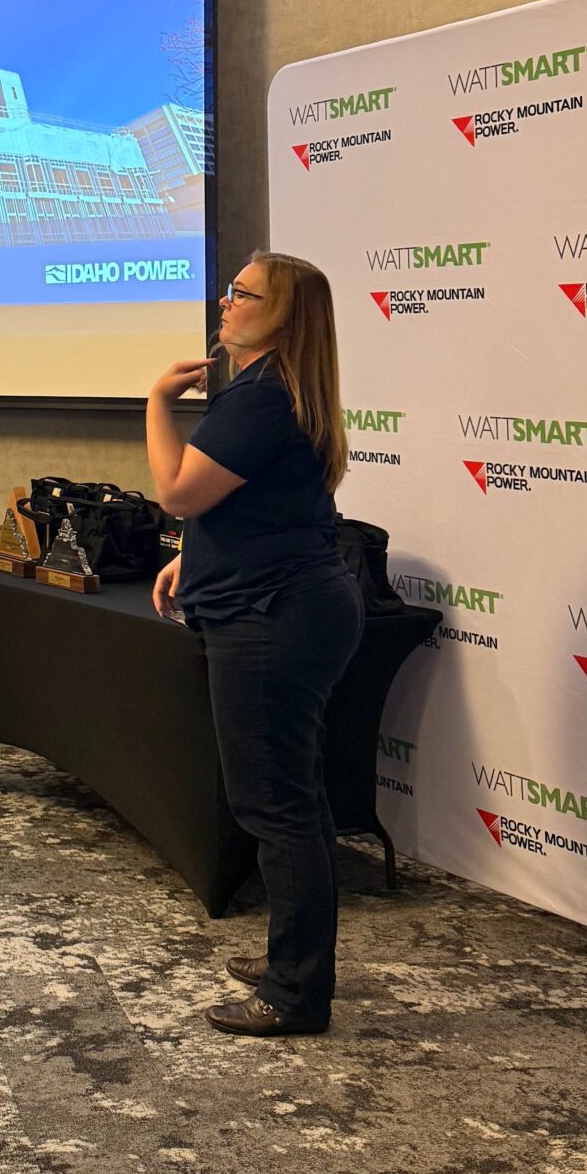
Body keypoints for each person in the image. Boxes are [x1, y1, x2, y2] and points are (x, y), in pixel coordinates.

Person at [144, 251, 363, 1037]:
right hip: (292, 603)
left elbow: (177, 491)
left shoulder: (262, 396)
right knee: (291, 796)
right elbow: (268, 506)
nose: (226, 302)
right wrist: (193, 557)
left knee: (275, 804)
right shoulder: (281, 388)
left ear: (285, 315)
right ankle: (293, 958)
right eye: (230, 290)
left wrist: (155, 403)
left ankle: (296, 993)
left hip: (274, 619)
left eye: (245, 293)